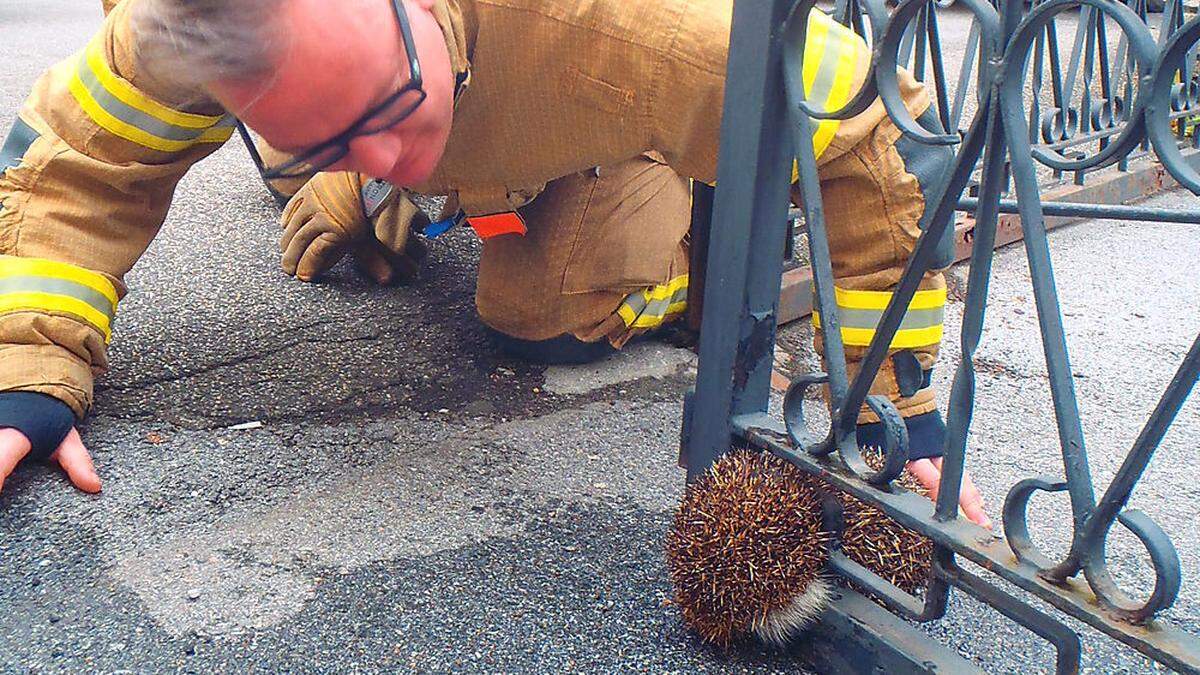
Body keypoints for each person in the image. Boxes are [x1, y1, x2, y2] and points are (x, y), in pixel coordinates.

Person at [0, 0, 989, 527]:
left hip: (610, 114)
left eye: (379, 114)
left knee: (543, 318)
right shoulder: (181, 27)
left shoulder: (630, 28)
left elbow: (881, 129)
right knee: (341, 195)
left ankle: (696, 247)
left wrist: (891, 406)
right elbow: (70, 169)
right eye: (326, 136)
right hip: (473, 99)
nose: (383, 161)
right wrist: (26, 371)